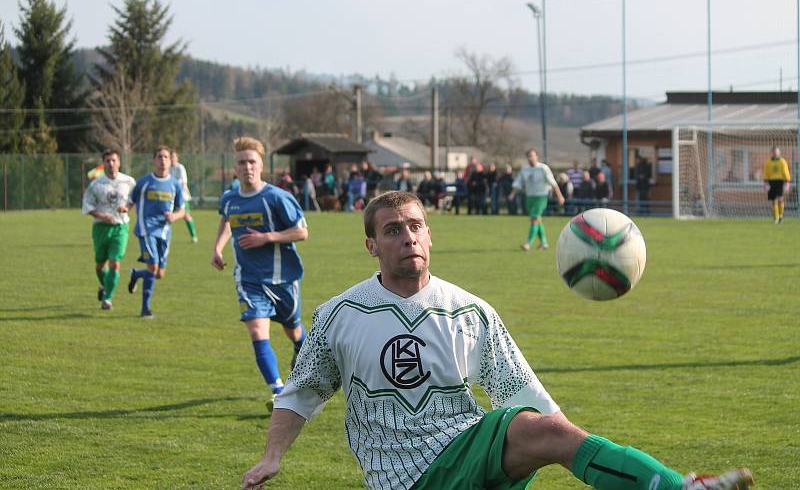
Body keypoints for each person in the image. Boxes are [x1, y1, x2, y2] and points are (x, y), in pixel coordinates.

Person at [242, 190, 754, 490]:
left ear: (430, 235)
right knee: (546, 434)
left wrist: (566, 435)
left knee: (546, 430)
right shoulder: (340, 314)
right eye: (394, 230)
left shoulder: (470, 311)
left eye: (416, 226)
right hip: (399, 473)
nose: (409, 237)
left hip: (464, 452)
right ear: (371, 244)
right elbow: (302, 392)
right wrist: (273, 455)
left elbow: (524, 393)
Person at [212, 136, 308, 411]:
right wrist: (217, 248)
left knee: (293, 330)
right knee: (257, 331)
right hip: (249, 280)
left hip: (283, 279)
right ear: (235, 166)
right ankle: (278, 390)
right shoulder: (230, 197)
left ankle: (300, 345)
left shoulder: (277, 198)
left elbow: (302, 231)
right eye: (242, 162)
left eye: (252, 161)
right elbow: (227, 219)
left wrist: (267, 237)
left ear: (261, 165)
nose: (247, 167)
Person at [127, 146, 185, 319]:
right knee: (152, 267)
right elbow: (131, 200)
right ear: (154, 160)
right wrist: (125, 208)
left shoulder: (175, 184)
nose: (162, 160)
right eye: (159, 157)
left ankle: (136, 274)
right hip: (146, 230)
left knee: (159, 273)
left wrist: (174, 216)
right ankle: (145, 309)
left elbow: (182, 210)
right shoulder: (144, 182)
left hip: (165, 232)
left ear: (170, 160)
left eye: (166, 157)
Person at [81, 149, 137, 310]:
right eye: (107, 161)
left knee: (115, 263)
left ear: (119, 162)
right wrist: (102, 216)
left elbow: (134, 199)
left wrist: (127, 207)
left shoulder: (129, 182)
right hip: (100, 228)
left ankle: (108, 299)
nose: (111, 163)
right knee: (100, 265)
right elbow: (87, 206)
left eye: (114, 160)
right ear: (103, 163)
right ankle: (104, 285)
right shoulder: (96, 184)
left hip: (120, 227)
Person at [508, 149, 564, 251]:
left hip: (541, 197)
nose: (531, 158)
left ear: (536, 157)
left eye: (532, 156)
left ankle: (528, 243)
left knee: (534, 219)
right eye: (529, 156)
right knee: (537, 220)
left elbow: (553, 183)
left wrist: (560, 196)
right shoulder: (525, 169)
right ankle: (544, 243)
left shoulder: (543, 168)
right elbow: (518, 182)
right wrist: (512, 194)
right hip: (530, 197)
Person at [169, 150, 199, 243]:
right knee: (167, 215)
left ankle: (194, 236)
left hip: (182, 196)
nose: (172, 159)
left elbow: (182, 182)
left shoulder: (180, 167)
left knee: (186, 216)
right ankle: (165, 235)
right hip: (171, 197)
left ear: (177, 158)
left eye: (173, 157)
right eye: (171, 157)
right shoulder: (168, 168)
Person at [763, 146, 791, 224]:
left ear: (779, 152)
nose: (775, 153)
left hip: (780, 181)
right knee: (773, 200)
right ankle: (776, 217)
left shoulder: (782, 161)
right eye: (774, 152)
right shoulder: (768, 162)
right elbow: (766, 172)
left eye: (776, 151)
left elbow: (786, 171)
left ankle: (781, 216)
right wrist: (765, 182)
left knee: (780, 199)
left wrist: (788, 182)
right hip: (771, 182)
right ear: (771, 153)